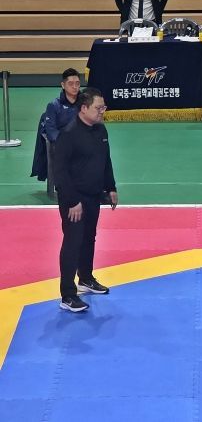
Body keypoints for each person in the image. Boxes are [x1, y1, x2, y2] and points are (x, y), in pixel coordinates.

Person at [54, 88, 118, 312]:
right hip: (73, 201)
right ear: (83, 108)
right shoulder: (68, 134)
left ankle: (86, 278)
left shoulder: (100, 129)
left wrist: (111, 187)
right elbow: (60, 172)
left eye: (103, 107)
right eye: (98, 108)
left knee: (89, 237)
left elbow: (105, 160)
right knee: (73, 242)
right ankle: (67, 295)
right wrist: (72, 201)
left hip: (93, 195)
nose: (102, 111)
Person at [42, 68, 81, 143]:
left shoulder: (85, 103)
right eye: (70, 83)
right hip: (62, 145)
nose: (74, 86)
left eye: (77, 83)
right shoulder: (53, 106)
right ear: (63, 85)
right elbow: (51, 132)